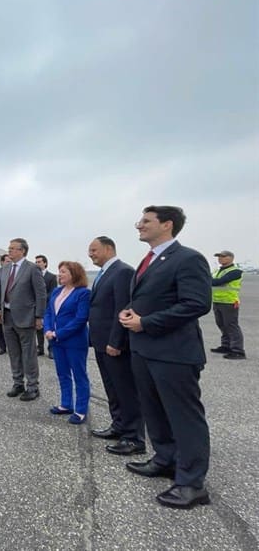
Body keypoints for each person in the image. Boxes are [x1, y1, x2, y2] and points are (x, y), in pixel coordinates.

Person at [119, 205, 212, 509]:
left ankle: (191, 482)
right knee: (154, 410)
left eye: (146, 221)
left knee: (184, 417)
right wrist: (133, 313)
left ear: (167, 225)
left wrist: (146, 322)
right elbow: (152, 298)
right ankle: (166, 458)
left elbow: (196, 304)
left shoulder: (188, 258)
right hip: (145, 349)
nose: (139, 226)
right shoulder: (149, 259)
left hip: (173, 352)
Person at [87, 236, 145, 454]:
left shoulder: (122, 271)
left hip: (114, 344)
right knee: (112, 388)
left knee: (126, 390)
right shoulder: (104, 274)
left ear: (109, 248)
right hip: (102, 343)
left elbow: (121, 308)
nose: (90, 254)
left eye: (94, 250)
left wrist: (116, 341)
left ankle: (134, 438)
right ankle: (119, 426)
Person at [0, 238, 47, 401]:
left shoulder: (32, 268)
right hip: (7, 316)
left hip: (26, 317)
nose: (9, 251)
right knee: (14, 352)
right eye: (9, 248)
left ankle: (32, 386)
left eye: (12, 248)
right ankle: (18, 383)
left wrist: (39, 316)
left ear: (22, 251)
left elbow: (41, 294)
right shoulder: (5, 268)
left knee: (28, 354)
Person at [43, 261, 90, 424]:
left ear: (74, 274)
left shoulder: (83, 293)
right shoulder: (57, 291)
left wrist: (58, 333)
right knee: (62, 373)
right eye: (59, 271)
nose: (59, 275)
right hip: (56, 340)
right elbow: (49, 312)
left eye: (63, 272)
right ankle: (66, 404)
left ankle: (81, 410)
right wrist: (47, 330)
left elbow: (81, 319)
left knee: (79, 375)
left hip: (74, 341)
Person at [210, 250, 246, 360]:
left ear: (231, 258)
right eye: (219, 256)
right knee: (221, 324)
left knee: (231, 326)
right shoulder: (217, 271)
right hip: (217, 301)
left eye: (223, 256)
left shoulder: (235, 271)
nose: (220, 258)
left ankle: (238, 350)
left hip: (229, 302)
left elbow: (218, 282)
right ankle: (226, 346)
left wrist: (206, 278)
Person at [34, 254, 58, 358]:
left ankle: (51, 349)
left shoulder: (51, 277)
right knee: (38, 328)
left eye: (39, 261)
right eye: (36, 262)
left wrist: (41, 298)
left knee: (49, 327)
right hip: (36, 306)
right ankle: (40, 348)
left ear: (45, 263)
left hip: (47, 307)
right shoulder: (33, 275)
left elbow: (52, 292)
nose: (37, 263)